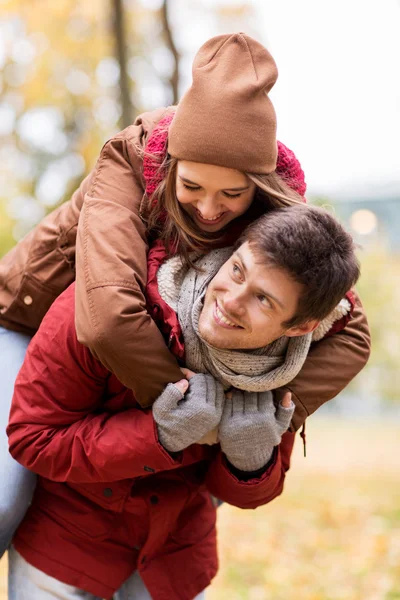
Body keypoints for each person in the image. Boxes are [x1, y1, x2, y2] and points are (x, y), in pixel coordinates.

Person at [0, 32, 370, 557]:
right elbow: (107, 316)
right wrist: (192, 410)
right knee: (3, 495)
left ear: (259, 187)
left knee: (192, 484)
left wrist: (255, 411)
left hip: (131, 350)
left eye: (232, 195)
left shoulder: (280, 213)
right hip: (29, 321)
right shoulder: (128, 161)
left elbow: (350, 331)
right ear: (170, 165)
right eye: (191, 187)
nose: (210, 210)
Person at [7, 203, 360, 600]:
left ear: (301, 327)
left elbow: (250, 494)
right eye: (237, 270)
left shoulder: (279, 367)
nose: (230, 300)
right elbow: (32, 438)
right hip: (66, 546)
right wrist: (158, 435)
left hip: (173, 558)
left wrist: (252, 458)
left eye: (263, 300)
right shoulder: (103, 307)